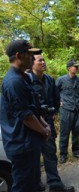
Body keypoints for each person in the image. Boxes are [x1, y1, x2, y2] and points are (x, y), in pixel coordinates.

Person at [0, 40, 51, 192]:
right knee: (23, 186)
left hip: (31, 141)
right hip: (22, 144)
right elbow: (26, 116)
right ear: (18, 56)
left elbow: (33, 108)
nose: (32, 58)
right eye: (29, 55)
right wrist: (44, 130)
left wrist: (44, 125)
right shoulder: (13, 82)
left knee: (33, 183)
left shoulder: (24, 77)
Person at [30, 52, 75, 192]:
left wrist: (53, 112)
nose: (43, 62)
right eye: (40, 60)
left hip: (48, 121)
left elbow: (56, 99)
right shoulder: (26, 80)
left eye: (44, 60)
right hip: (32, 122)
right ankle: (36, 184)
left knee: (50, 153)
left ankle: (55, 184)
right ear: (31, 63)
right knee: (33, 156)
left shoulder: (49, 79)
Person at [56, 59, 79, 164]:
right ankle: (63, 154)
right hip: (66, 110)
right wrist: (59, 102)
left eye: (77, 66)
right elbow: (54, 92)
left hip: (77, 109)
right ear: (69, 68)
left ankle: (76, 151)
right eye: (75, 66)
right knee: (64, 132)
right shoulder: (61, 80)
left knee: (77, 131)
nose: (77, 68)